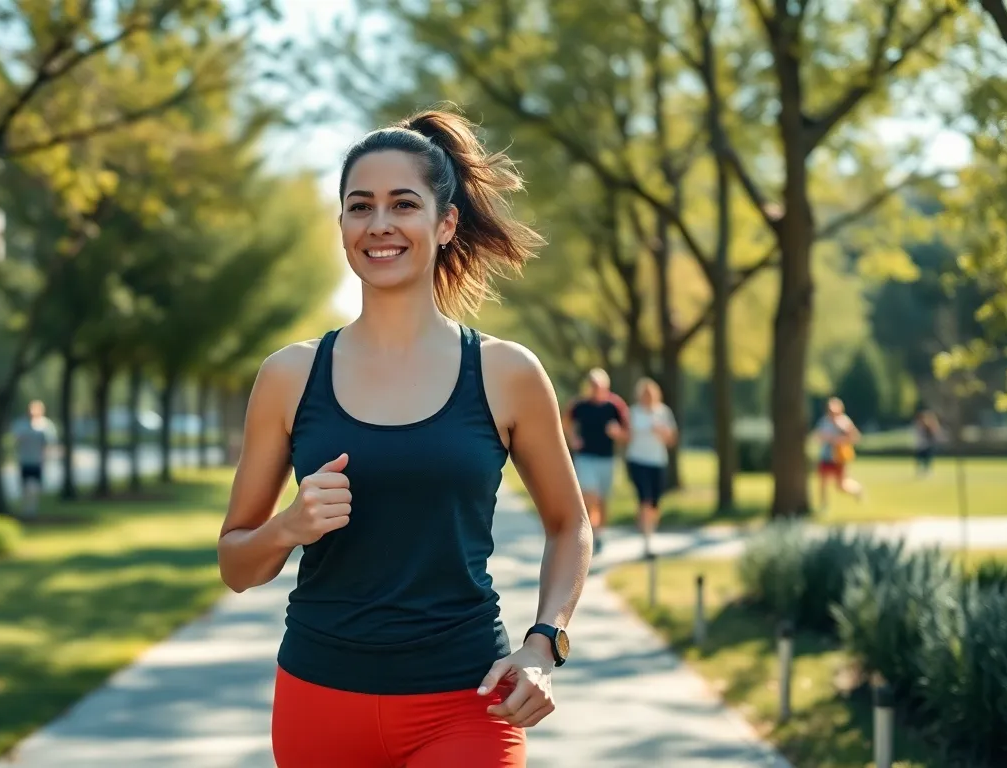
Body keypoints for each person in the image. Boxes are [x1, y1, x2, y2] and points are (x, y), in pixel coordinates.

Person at [216, 108, 592, 768]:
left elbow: (570, 525)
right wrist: (289, 527)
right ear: (342, 226)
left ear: (445, 224)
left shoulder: (506, 372)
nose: (379, 223)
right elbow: (236, 565)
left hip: (468, 703)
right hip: (319, 703)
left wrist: (544, 642)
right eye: (360, 206)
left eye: (404, 204)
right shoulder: (289, 376)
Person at [562, 368, 628, 554]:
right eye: (593, 385)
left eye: (599, 386)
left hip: (607, 459)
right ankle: (588, 531)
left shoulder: (615, 405)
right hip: (585, 457)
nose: (596, 389)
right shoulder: (579, 405)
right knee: (589, 494)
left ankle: (599, 534)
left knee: (603, 500)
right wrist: (573, 438)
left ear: (606, 386)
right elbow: (565, 422)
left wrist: (617, 433)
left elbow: (627, 433)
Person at [624, 377, 677, 554]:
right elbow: (626, 436)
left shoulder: (663, 412)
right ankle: (647, 540)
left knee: (654, 503)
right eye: (644, 394)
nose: (647, 397)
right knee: (645, 499)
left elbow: (672, 439)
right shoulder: (633, 412)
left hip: (658, 461)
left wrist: (662, 431)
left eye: (650, 393)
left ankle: (646, 524)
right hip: (637, 460)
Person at [815, 396, 864, 510]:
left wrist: (839, 440)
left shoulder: (844, 421)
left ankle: (857, 489)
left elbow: (855, 437)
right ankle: (823, 506)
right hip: (826, 455)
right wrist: (824, 438)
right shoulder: (824, 421)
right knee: (823, 481)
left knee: (841, 485)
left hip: (838, 457)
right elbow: (818, 436)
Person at [12, 400, 57, 517]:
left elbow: (50, 443)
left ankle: (32, 510)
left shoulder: (45, 425)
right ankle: (25, 509)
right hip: (24, 460)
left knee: (35, 487)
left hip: (38, 461)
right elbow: (15, 439)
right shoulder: (21, 425)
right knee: (24, 487)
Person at [913, 408, 941, 477]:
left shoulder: (929, 426)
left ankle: (927, 471)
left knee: (927, 459)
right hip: (921, 445)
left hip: (927, 445)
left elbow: (933, 435)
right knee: (920, 459)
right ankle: (921, 471)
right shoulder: (919, 425)